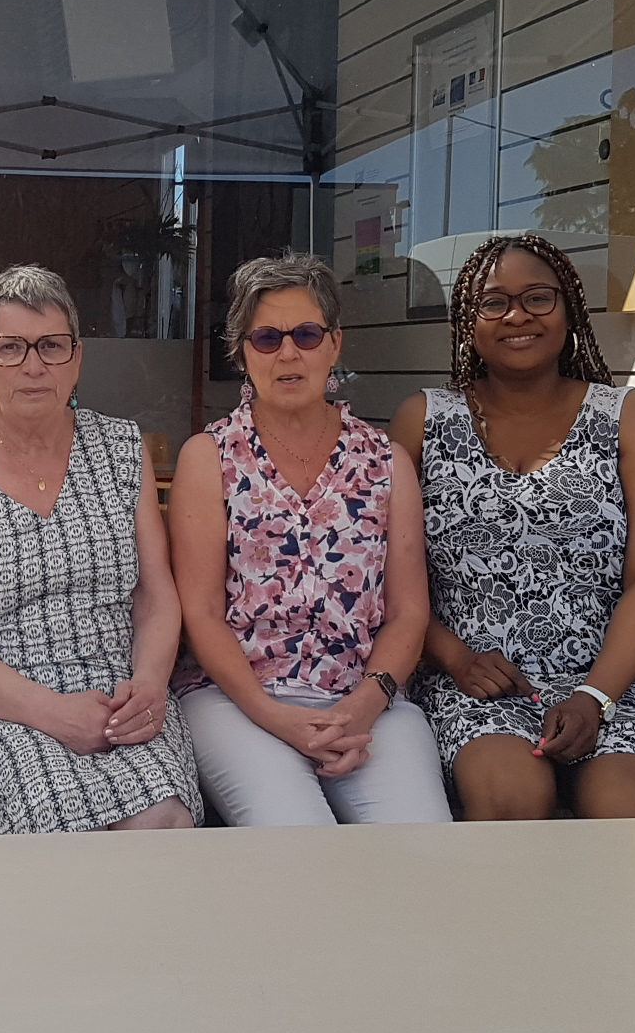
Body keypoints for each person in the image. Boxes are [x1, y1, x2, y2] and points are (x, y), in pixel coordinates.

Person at [391, 233, 635, 820]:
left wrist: (595, 695)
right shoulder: (423, 419)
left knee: (625, 808)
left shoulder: (629, 417)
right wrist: (453, 657)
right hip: (474, 681)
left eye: (537, 298)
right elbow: (382, 570)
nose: (518, 315)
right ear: (468, 324)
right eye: (494, 303)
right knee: (511, 797)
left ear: (569, 310)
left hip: (611, 677)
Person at [0, 265, 200, 831]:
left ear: (77, 358)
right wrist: (54, 713)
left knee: (163, 817)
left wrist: (150, 685)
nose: (34, 365)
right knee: (53, 815)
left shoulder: (120, 449)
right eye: (10, 347)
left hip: (120, 689)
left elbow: (155, 592)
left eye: (51, 346)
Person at [169, 253, 450, 826]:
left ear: (334, 343)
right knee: (296, 839)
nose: (288, 353)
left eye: (305, 334)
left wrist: (365, 706)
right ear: (244, 351)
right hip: (236, 699)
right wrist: (275, 717)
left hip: (365, 695)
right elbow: (200, 615)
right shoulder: (210, 457)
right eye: (267, 338)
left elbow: (408, 613)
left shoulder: (385, 463)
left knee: (423, 848)